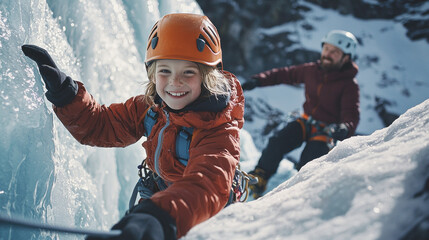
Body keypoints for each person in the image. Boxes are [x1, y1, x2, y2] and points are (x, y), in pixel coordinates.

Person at [21, 13, 244, 240]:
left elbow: (207, 185)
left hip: (199, 220)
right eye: (165, 71)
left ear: (208, 77)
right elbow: (101, 125)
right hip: (160, 213)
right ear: (153, 74)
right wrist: (66, 95)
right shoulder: (150, 109)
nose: (175, 82)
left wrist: (155, 217)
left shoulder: (219, 129)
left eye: (189, 72)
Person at [242, 30, 360, 199]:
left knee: (307, 164)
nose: (328, 54)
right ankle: (258, 179)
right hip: (306, 122)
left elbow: (351, 113)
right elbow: (283, 74)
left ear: (346, 58)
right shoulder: (312, 70)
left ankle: (295, 199)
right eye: (327, 49)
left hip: (326, 131)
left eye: (335, 52)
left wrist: (344, 128)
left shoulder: (349, 85)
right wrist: (258, 80)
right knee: (276, 143)